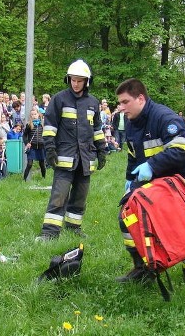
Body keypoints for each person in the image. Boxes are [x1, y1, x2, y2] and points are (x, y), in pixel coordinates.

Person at [114, 78, 185, 286]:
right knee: (127, 218)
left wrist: (151, 166)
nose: (121, 107)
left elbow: (182, 151)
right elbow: (133, 155)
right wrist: (130, 178)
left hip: (179, 184)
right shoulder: (130, 122)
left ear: (140, 98)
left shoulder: (165, 118)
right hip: (153, 186)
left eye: (125, 102)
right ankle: (143, 269)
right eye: (119, 103)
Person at [36, 59, 106, 241]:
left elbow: (97, 129)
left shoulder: (93, 103)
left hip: (85, 158)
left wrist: (102, 150)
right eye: (73, 80)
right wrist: (50, 150)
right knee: (59, 196)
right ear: (68, 79)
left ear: (87, 81)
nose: (75, 84)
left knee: (80, 197)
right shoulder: (59, 99)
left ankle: (74, 227)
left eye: (79, 80)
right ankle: (49, 232)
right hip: (64, 157)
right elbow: (49, 127)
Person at [23, 108, 46, 181]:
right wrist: (27, 143)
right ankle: (24, 180)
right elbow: (24, 135)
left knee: (42, 164)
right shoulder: (29, 125)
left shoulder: (42, 124)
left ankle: (43, 178)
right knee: (29, 164)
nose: (34, 116)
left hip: (41, 146)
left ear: (38, 114)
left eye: (35, 114)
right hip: (32, 147)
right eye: (32, 114)